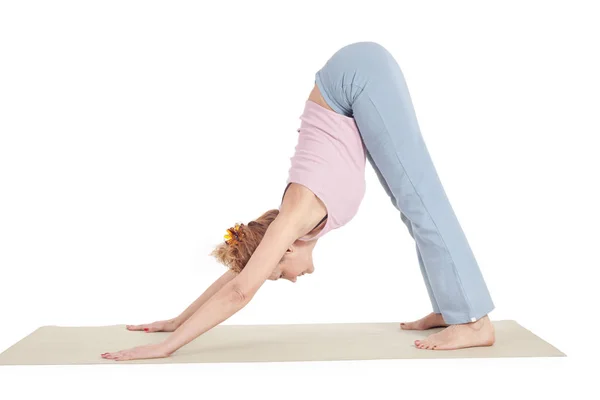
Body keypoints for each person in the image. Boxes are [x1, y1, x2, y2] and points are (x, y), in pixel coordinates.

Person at [101, 41, 495, 361]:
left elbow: (240, 292)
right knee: (413, 208)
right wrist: (176, 319)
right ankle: (452, 308)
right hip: (350, 82)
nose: (288, 278)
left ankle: (475, 323)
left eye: (277, 271)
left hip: (358, 76)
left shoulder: (295, 216)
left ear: (285, 247)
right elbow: (240, 275)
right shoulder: (292, 225)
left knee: (422, 200)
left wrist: (166, 348)